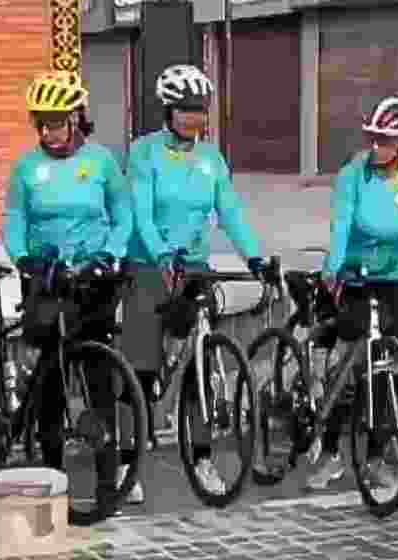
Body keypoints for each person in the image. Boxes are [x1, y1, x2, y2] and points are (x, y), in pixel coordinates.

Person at [121, 63, 266, 504]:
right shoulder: (144, 152)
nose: (193, 117)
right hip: (149, 265)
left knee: (198, 364)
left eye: (199, 109)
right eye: (184, 108)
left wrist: (255, 256)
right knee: (142, 368)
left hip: (195, 268)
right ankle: (129, 459)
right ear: (168, 110)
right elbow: (141, 211)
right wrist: (160, 252)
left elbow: (231, 212)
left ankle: (202, 457)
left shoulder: (211, 159)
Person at [4, 70, 132, 512]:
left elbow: (123, 216)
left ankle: (106, 480)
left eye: (55, 122)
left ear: (76, 118)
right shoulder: (26, 167)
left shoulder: (100, 162)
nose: (47, 131)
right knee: (51, 385)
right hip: (47, 278)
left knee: (99, 380)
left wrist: (110, 254)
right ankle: (52, 476)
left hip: (93, 280)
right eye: (40, 123)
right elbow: (15, 221)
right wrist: (23, 257)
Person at [308, 93, 398, 490]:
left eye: (385, 141)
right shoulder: (353, 174)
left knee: (388, 371)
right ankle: (330, 450)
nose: (376, 147)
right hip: (355, 279)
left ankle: (377, 455)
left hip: (395, 281)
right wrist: (332, 271)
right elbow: (341, 225)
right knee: (350, 371)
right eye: (374, 139)